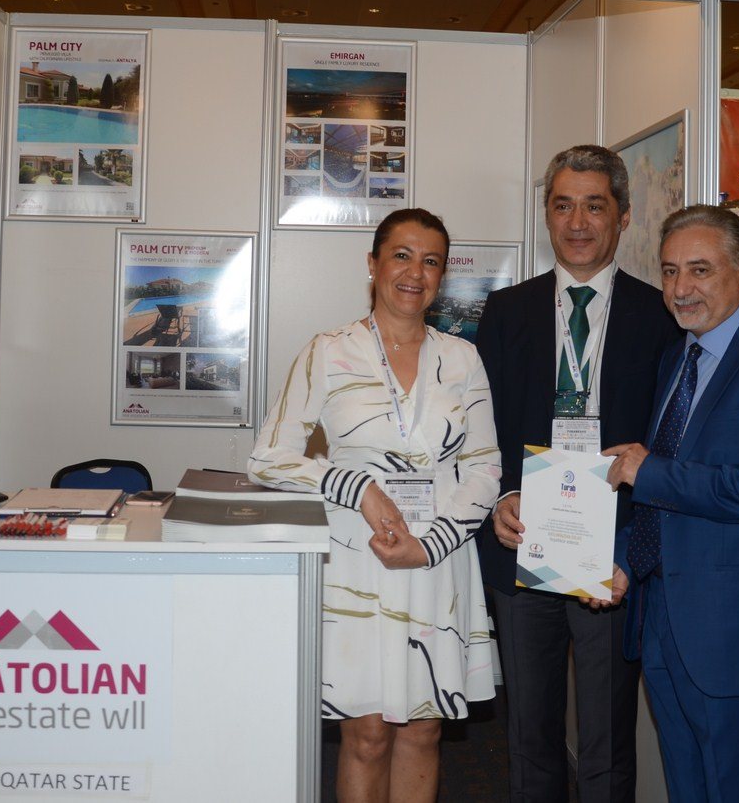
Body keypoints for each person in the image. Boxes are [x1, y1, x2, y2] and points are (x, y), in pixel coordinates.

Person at [249, 208, 501, 803]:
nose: (415, 273)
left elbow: (485, 469)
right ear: (373, 264)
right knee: (365, 734)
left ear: (442, 275)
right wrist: (357, 487)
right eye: (401, 256)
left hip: (437, 558)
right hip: (357, 560)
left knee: (423, 729)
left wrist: (430, 544)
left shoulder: (462, 359)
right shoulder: (328, 350)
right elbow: (267, 458)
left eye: (431, 261)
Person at [474, 145, 678, 803]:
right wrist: (503, 493)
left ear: (624, 215)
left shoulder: (661, 316)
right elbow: (482, 427)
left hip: (612, 553)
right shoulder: (505, 311)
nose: (579, 222)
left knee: (607, 737)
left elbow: (671, 438)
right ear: (547, 214)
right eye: (563, 205)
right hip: (524, 539)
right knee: (528, 733)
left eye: (595, 205)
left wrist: (637, 545)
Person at [602, 204, 739, 802]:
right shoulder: (679, 356)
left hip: (734, 633)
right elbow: (662, 490)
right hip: (661, 620)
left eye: (700, 270)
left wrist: (653, 471)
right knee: (687, 788)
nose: (681, 289)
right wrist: (625, 559)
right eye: (670, 271)